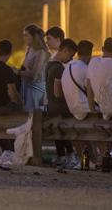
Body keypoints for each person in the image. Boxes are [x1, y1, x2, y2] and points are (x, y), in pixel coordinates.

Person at [46, 38, 78, 168]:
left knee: (59, 134)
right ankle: (70, 156)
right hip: (60, 107)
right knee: (65, 133)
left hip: (51, 107)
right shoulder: (58, 68)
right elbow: (57, 92)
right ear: (65, 50)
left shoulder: (49, 65)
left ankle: (62, 157)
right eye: (71, 55)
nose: (70, 59)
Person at [18, 24, 50, 112]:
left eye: (26, 35)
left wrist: (17, 72)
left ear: (33, 37)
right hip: (26, 87)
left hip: (36, 89)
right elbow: (24, 67)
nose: (24, 38)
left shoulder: (41, 52)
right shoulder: (29, 49)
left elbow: (34, 74)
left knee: (35, 117)